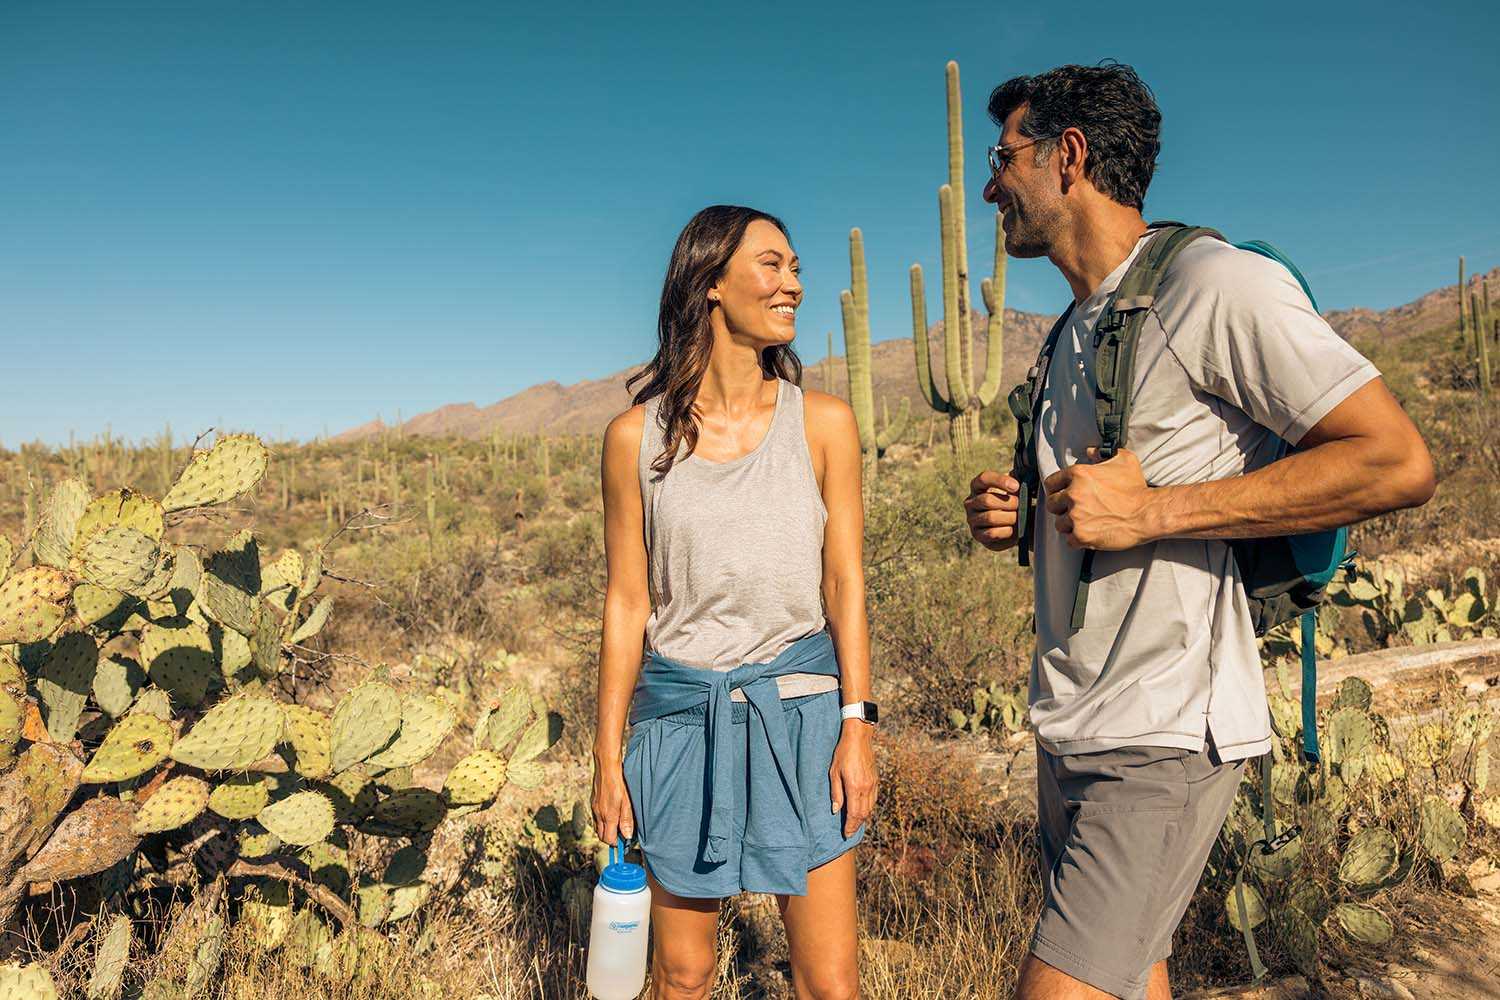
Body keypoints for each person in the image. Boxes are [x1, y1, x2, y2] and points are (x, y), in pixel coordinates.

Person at [963, 64, 1435, 1000]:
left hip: (1164, 729)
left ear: (1070, 156)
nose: (989, 187)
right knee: (1137, 981)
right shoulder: (1069, 329)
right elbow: (1100, 505)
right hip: (1071, 726)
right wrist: (1021, 516)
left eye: (1003, 157)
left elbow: (1395, 459)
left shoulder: (1216, 285)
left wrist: (1154, 512)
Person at [591, 205, 879, 1000]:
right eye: (772, 266)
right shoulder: (632, 440)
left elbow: (845, 582)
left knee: (830, 983)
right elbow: (626, 602)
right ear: (710, 284)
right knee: (681, 977)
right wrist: (606, 757)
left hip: (803, 715)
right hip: (682, 719)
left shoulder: (823, 425)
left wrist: (858, 726)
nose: (793, 284)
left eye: (796, 270)